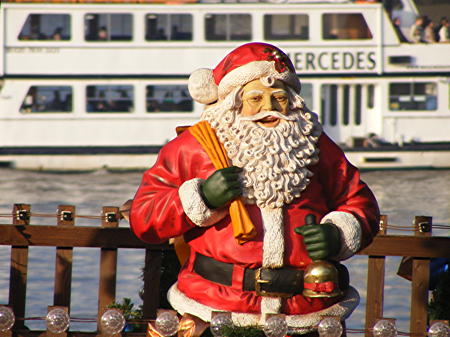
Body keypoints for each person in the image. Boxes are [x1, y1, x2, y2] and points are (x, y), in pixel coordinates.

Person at [130, 43, 380, 336]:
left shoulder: (315, 146)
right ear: (234, 102)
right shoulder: (193, 148)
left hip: (305, 311)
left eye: (278, 98)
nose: (269, 108)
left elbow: (360, 203)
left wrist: (338, 234)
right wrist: (202, 198)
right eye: (255, 98)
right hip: (216, 307)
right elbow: (144, 216)